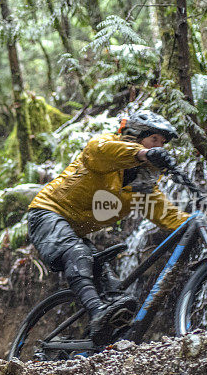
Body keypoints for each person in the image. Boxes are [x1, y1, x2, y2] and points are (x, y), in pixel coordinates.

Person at [27, 110, 189, 346]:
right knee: (79, 255)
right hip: (47, 213)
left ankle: (99, 344)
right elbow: (99, 151)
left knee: (116, 295)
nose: (161, 146)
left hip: (75, 231)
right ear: (135, 135)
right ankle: (95, 311)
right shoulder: (104, 148)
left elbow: (168, 216)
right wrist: (143, 154)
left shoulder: (141, 186)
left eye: (163, 143)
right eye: (155, 139)